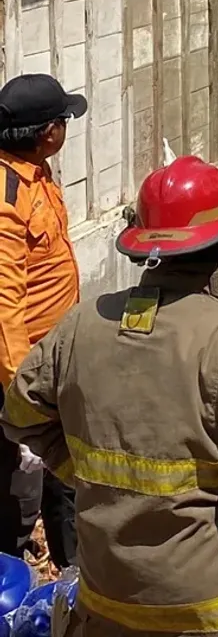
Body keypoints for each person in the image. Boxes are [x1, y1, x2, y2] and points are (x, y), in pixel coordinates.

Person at [3, 156, 218, 637]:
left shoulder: (80, 326)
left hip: (106, 602)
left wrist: (91, 478)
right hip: (211, 608)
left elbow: (20, 414)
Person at [0, 73, 86, 569]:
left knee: (62, 471)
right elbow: (4, 304)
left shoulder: (35, 173)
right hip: (23, 365)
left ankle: (71, 572)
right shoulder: (8, 197)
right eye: (63, 121)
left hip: (50, 353)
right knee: (23, 481)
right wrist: (22, 393)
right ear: (47, 132)